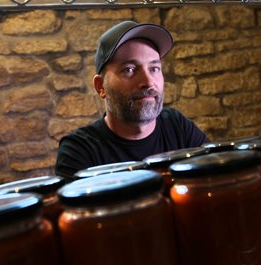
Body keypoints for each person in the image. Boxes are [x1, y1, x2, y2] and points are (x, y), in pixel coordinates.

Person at [55, 21, 210, 180]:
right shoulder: (80, 151)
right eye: (129, 69)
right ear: (101, 86)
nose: (148, 82)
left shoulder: (178, 127)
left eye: (154, 69)